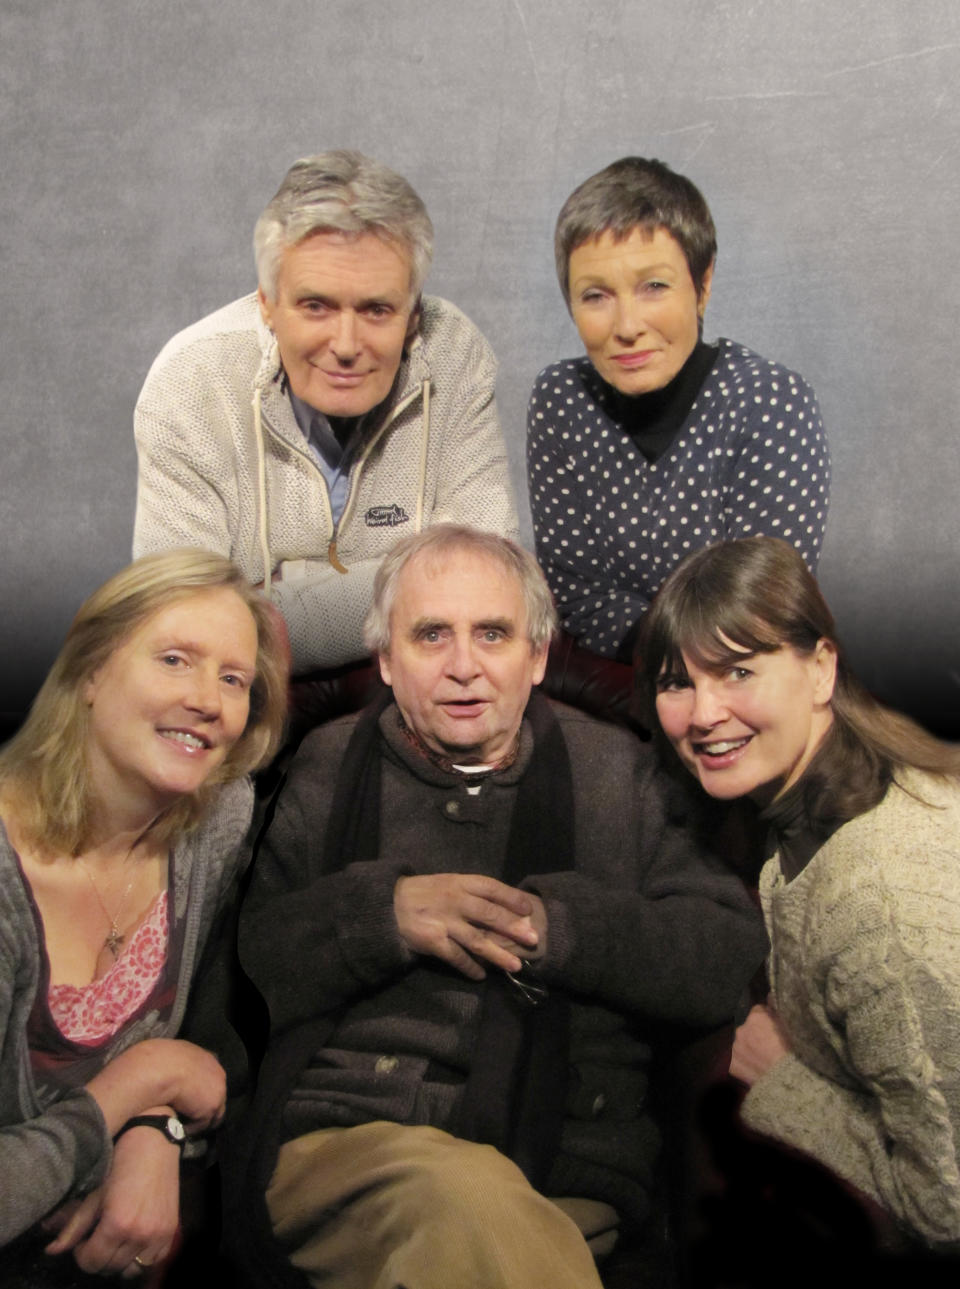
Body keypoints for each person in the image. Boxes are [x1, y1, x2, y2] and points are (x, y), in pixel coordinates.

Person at [230, 524, 766, 1289]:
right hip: (352, 1147)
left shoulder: (621, 771)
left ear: (537, 656)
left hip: (565, 1167)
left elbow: (723, 954)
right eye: (430, 635)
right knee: (465, 1207)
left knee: (489, 1230)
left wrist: (566, 928)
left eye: (492, 633)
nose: (463, 667)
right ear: (385, 658)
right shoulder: (327, 764)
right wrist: (381, 913)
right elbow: (250, 968)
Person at [639, 535, 960, 1248]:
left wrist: (785, 1080)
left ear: (820, 669)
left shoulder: (884, 899)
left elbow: (951, 1203)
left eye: (737, 671)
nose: (702, 713)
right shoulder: (815, 803)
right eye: (676, 681)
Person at [0, 549, 287, 1280]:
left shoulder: (216, 819)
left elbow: (210, 1053)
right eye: (174, 659)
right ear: (90, 669)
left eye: (234, 680)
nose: (208, 700)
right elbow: (166, 1065)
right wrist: (133, 1087)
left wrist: (156, 1129)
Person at [133, 151, 517, 676]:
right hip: (236, 694)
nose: (345, 344)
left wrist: (262, 608)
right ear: (266, 304)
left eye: (376, 310)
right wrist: (417, 591)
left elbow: (486, 584)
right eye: (316, 306)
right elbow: (180, 627)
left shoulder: (453, 355)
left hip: (407, 691)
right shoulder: (192, 380)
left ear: (413, 313)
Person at [527, 156, 830, 663]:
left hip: (749, 688)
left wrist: (674, 651)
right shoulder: (561, 401)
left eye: (654, 287)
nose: (627, 325)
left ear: (703, 286)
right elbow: (577, 594)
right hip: (620, 689)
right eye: (596, 295)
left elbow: (755, 612)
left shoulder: (770, 400)